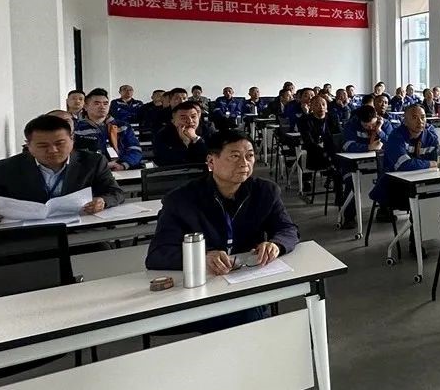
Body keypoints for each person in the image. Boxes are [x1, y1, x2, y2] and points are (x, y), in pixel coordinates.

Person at [146, 130, 298, 330]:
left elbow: (287, 229)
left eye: (249, 156)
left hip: (245, 281)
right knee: (247, 314)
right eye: (234, 156)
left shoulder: (265, 192)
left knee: (250, 310)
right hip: (199, 290)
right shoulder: (181, 200)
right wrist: (203, 257)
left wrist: (276, 244)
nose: (244, 163)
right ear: (211, 161)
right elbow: (158, 254)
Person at [0, 115, 123, 223]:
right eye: (43, 146)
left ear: (72, 140)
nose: (53, 150)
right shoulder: (5, 168)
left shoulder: (93, 162)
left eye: (60, 143)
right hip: (25, 237)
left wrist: (102, 201)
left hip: (79, 230)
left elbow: (115, 193)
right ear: (28, 145)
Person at [369, 105, 439, 256]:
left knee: (438, 195)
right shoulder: (396, 137)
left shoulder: (431, 137)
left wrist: (429, 165)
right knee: (420, 199)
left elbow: (438, 165)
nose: (420, 121)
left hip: (421, 183)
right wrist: (429, 164)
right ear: (405, 121)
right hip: (394, 187)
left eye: (423, 117)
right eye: (414, 118)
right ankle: (416, 241)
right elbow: (404, 165)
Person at [75, 88, 143, 170]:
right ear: (85, 107)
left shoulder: (123, 126)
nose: (102, 107)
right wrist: (102, 166)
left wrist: (123, 164)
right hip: (91, 172)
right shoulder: (77, 128)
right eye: (97, 103)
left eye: (105, 103)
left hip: (121, 169)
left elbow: (135, 149)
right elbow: (75, 155)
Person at [299, 95, 342, 200]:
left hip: (332, 152)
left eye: (323, 104)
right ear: (311, 107)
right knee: (337, 163)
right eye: (317, 105)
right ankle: (339, 193)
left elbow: (338, 136)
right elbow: (308, 141)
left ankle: (340, 193)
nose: (321, 107)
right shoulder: (305, 120)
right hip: (315, 155)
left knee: (338, 160)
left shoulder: (333, 117)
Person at [153, 101, 215, 167]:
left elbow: (211, 158)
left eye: (193, 116)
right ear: (173, 121)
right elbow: (166, 162)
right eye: (184, 118)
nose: (190, 121)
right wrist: (186, 143)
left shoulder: (207, 130)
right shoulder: (162, 135)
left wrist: (195, 138)